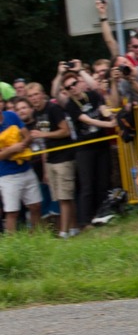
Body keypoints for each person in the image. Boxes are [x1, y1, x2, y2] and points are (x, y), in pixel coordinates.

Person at [60, 71, 115, 229]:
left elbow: (103, 108)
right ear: (66, 90)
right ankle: (84, 221)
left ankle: (104, 214)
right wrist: (109, 125)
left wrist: (111, 117)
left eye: (74, 84)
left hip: (101, 144)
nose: (73, 88)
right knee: (87, 185)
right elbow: (86, 120)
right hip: (84, 149)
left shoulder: (93, 95)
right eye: (68, 87)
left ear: (79, 82)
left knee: (103, 181)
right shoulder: (70, 105)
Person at [28, 83, 76, 237]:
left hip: (64, 156)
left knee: (64, 197)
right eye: (31, 96)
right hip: (50, 159)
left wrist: (44, 135)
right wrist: (45, 166)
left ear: (42, 94)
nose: (34, 98)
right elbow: (43, 144)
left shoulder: (53, 109)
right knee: (61, 196)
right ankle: (73, 227)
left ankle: (64, 232)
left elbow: (65, 131)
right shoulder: (35, 114)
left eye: (36, 94)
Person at [1, 102, 40, 234]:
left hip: (26, 169)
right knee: (12, 212)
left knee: (35, 205)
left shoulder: (11, 115)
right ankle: (12, 248)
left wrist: (21, 145)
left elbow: (28, 136)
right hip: (7, 175)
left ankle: (36, 239)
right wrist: (12, 150)